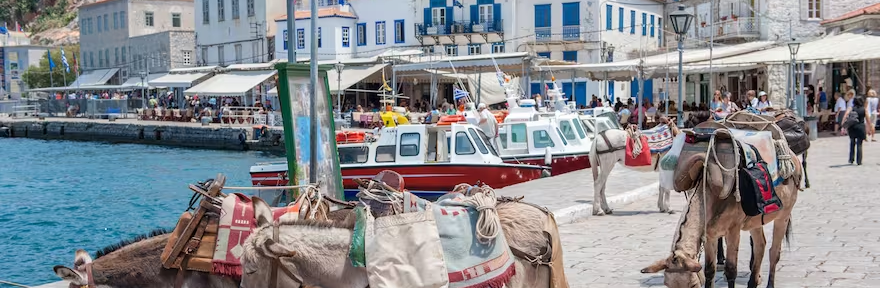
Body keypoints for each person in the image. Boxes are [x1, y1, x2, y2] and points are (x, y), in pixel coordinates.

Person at [843, 97, 868, 165]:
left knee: (852, 143)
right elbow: (868, 119)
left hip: (852, 127)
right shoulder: (864, 109)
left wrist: (843, 125)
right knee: (859, 144)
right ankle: (859, 161)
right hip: (861, 127)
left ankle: (851, 159)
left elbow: (845, 115)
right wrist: (870, 128)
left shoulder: (851, 108)